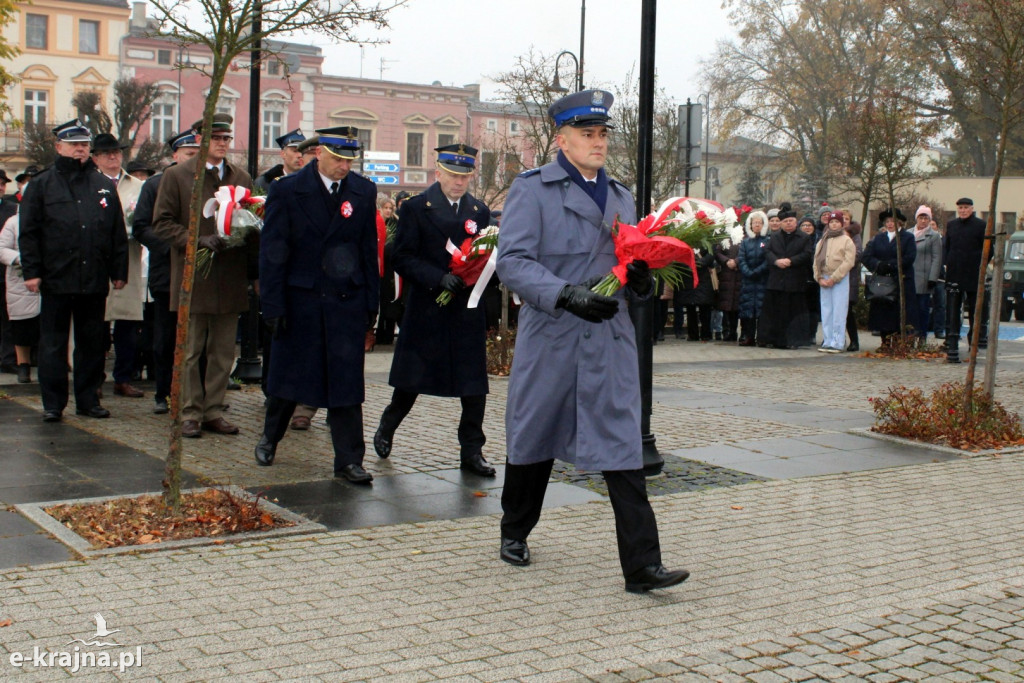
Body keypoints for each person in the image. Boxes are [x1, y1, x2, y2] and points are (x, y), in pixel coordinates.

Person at [495, 88, 689, 594]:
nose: (599, 142)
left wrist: (643, 281)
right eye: (588, 134)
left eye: (603, 134)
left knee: (623, 449)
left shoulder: (621, 196)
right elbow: (512, 262)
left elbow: (629, 261)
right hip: (553, 335)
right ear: (562, 139)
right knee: (534, 443)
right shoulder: (532, 189)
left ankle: (642, 567)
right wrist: (564, 295)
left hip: (608, 339)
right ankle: (515, 529)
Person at [254, 126, 380, 483]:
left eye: (349, 160)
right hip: (301, 301)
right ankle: (270, 437)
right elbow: (273, 254)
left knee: (346, 385)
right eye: (338, 158)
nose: (344, 166)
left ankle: (349, 459)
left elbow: (368, 250)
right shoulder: (287, 190)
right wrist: (273, 306)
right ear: (319, 153)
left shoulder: (362, 190)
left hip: (345, 301)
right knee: (288, 380)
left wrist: (371, 302)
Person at [372, 143, 497, 477]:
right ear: (438, 172)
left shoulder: (479, 210)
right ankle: (388, 425)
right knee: (412, 381)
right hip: (429, 305)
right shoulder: (416, 208)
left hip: (465, 308)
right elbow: (401, 256)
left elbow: (485, 256)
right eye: (453, 175)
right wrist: (437, 278)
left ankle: (472, 451)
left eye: (465, 175)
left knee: (473, 386)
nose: (459, 182)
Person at [153, 113, 257, 438]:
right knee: (190, 349)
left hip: (229, 275)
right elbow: (162, 222)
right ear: (200, 139)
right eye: (216, 138)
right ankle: (189, 412)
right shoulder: (178, 175)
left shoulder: (241, 176)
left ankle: (214, 409)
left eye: (226, 139)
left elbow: (250, 218)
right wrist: (195, 239)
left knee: (223, 352)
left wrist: (246, 234)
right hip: (194, 276)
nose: (222, 144)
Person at [18, 120, 128, 421]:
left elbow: (116, 231)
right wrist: (32, 271)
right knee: (53, 344)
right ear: (59, 147)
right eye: (73, 144)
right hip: (56, 276)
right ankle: (53, 404)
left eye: (83, 144)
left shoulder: (103, 184)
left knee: (92, 343)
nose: (79, 149)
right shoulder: (41, 185)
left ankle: (88, 400)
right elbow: (28, 232)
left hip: (93, 276)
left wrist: (119, 271)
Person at [132, 129, 200, 414]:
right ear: (175, 156)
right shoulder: (156, 185)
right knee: (166, 338)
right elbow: (142, 226)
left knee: (198, 339)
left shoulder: (208, 182)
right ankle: (164, 392)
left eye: (197, 154)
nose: (192, 160)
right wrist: (174, 246)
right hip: (167, 272)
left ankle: (197, 395)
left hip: (201, 272)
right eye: (188, 155)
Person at [91, 133, 146, 399]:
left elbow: (146, 218)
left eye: (117, 152)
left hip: (129, 259)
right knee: (96, 325)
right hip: (96, 261)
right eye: (107, 153)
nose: (114, 157)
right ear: (96, 158)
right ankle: (95, 378)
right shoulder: (88, 183)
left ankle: (123, 378)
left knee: (127, 324)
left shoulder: (137, 185)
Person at [761, 203, 813, 348]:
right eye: (785, 221)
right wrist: (776, 261)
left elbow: (807, 254)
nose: (788, 223)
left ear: (796, 222)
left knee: (793, 313)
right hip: (777, 281)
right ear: (781, 223)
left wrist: (790, 261)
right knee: (776, 313)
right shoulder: (774, 236)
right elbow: (767, 252)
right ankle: (775, 340)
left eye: (790, 221)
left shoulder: (804, 237)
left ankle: (794, 341)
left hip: (795, 281)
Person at [863, 208, 917, 346]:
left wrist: (891, 265)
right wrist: (878, 265)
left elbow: (909, 257)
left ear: (899, 222)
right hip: (883, 282)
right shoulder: (878, 238)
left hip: (901, 280)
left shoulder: (908, 238)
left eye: (893, 221)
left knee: (899, 313)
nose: (890, 224)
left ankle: (899, 342)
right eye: (887, 221)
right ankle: (885, 342)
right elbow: (867, 256)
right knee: (883, 313)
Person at [944, 197, 989, 347]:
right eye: (960, 208)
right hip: (955, 272)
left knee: (975, 308)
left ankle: (975, 339)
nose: (963, 211)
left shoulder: (981, 225)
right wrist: (947, 263)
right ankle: (952, 338)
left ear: (971, 209)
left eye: (965, 208)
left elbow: (989, 250)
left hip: (973, 273)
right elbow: (946, 247)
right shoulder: (951, 225)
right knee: (953, 309)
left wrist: (981, 266)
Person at [0, 212, 40, 382]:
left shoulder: (53, 217)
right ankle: (23, 364)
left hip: (50, 278)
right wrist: (19, 259)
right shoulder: (14, 221)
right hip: (20, 282)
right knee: (22, 326)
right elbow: (1, 248)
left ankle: (47, 364)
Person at [813, 211, 856, 353]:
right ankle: (827, 339)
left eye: (837, 222)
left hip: (839, 279)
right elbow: (816, 260)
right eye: (831, 222)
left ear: (842, 224)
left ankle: (838, 341)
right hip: (824, 278)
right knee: (826, 311)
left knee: (839, 310)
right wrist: (818, 277)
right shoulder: (823, 240)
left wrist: (834, 278)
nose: (834, 224)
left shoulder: (846, 240)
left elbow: (848, 261)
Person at [737, 210, 770, 346]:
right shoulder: (745, 242)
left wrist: (757, 271)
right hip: (748, 281)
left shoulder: (768, 241)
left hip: (762, 280)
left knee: (762, 311)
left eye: (759, 223)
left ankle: (762, 338)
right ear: (750, 225)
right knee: (748, 310)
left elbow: (768, 259)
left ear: (764, 224)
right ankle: (748, 336)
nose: (757, 225)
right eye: (754, 223)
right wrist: (748, 272)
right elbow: (741, 258)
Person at [911, 205, 943, 344]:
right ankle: (910, 335)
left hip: (924, 278)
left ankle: (922, 336)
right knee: (910, 309)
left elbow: (937, 258)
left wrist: (932, 278)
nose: (923, 221)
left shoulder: (934, 236)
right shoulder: (907, 233)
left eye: (926, 218)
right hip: (910, 276)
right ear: (916, 218)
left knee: (923, 308)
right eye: (921, 217)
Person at [375, 194, 403, 345]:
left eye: (390, 208)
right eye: (385, 208)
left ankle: (386, 333)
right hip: (378, 264)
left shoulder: (396, 223)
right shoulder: (376, 222)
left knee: (389, 300)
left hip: (390, 267)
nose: (388, 211)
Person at [0, 169, 18, 373]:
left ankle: (8, 358)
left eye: (3, 183)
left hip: (6, 271)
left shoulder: (12, 209)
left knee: (7, 317)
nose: (1, 187)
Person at [714, 226, 744, 342]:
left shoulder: (744, 238)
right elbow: (717, 253)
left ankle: (734, 331)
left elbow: (746, 252)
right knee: (725, 306)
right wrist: (727, 261)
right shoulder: (724, 239)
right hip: (726, 276)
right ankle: (726, 331)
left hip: (739, 275)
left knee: (736, 306)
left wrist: (736, 261)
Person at [254, 129, 305, 194]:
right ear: (283, 154)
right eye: (295, 151)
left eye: (302, 151)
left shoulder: (312, 181)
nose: (300, 155)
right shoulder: (265, 182)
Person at [798, 215, 821, 346]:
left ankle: (811, 334)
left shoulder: (819, 240)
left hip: (814, 280)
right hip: (800, 278)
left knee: (813, 310)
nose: (807, 228)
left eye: (809, 225)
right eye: (804, 225)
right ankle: (801, 334)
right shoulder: (797, 240)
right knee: (801, 309)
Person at [842, 212, 864, 352]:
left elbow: (857, 254)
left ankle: (854, 340)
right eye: (841, 218)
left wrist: (841, 264)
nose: (844, 221)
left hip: (849, 277)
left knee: (848, 311)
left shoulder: (855, 235)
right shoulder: (831, 233)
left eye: (847, 219)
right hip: (832, 277)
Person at [928, 218, 947, 340]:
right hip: (925, 277)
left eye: (933, 224)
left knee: (940, 305)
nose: (930, 226)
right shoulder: (921, 239)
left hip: (940, 278)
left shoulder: (943, 242)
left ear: (937, 227)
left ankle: (939, 330)